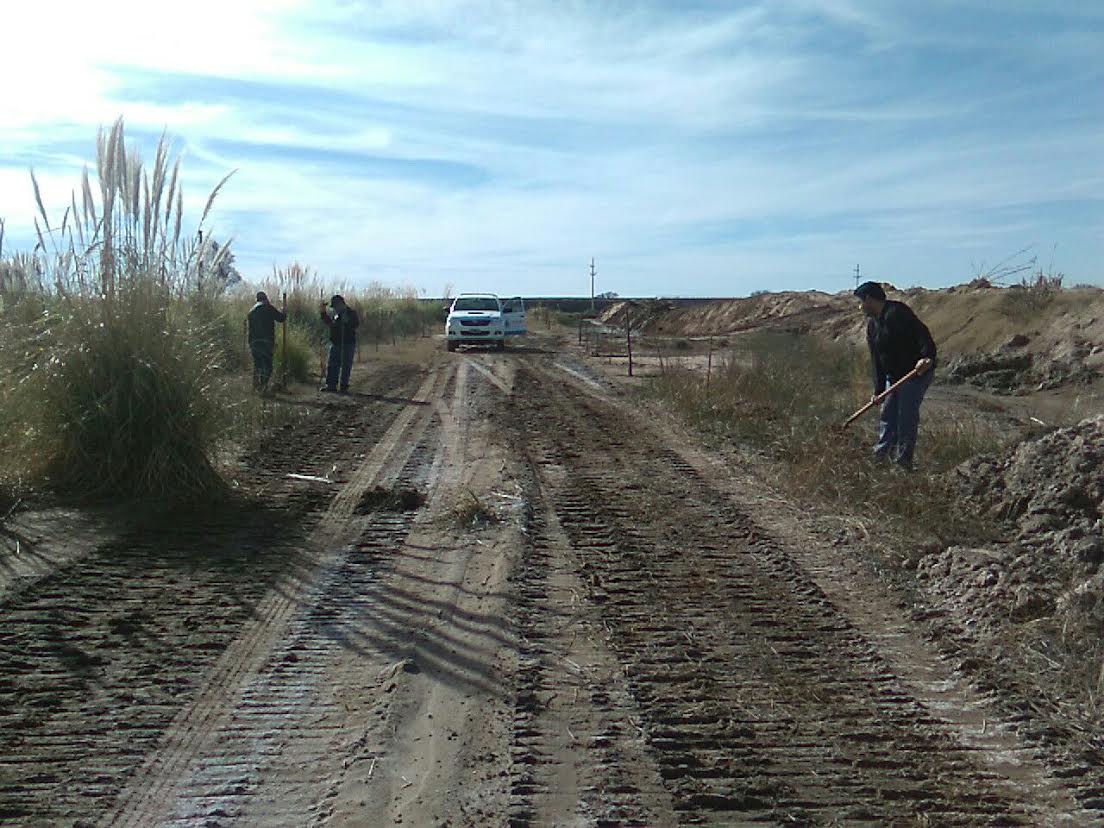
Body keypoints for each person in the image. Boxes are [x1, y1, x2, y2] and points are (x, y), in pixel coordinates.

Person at [854, 281, 937, 470]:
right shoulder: (872, 326)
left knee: (905, 416)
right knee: (888, 414)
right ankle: (881, 457)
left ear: (869, 299)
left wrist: (927, 357)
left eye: (860, 302)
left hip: (914, 374)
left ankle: (903, 463)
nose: (860, 307)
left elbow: (922, 335)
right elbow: (877, 360)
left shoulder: (897, 313)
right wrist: (878, 390)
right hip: (894, 377)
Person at [246, 291, 286, 393]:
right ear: (266, 298)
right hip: (266, 342)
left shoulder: (251, 311)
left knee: (257, 364)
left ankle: (256, 386)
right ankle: (263, 387)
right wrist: (284, 311)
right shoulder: (268, 307)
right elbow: (281, 318)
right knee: (267, 365)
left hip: (254, 342)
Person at [320, 294, 359, 393]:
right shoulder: (335, 314)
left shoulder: (351, 313)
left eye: (336, 306)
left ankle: (343, 386)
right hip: (336, 343)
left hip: (348, 343)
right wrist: (323, 313)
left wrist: (348, 322)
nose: (335, 309)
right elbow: (330, 324)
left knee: (346, 365)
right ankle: (331, 386)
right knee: (332, 364)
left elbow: (355, 324)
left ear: (341, 304)